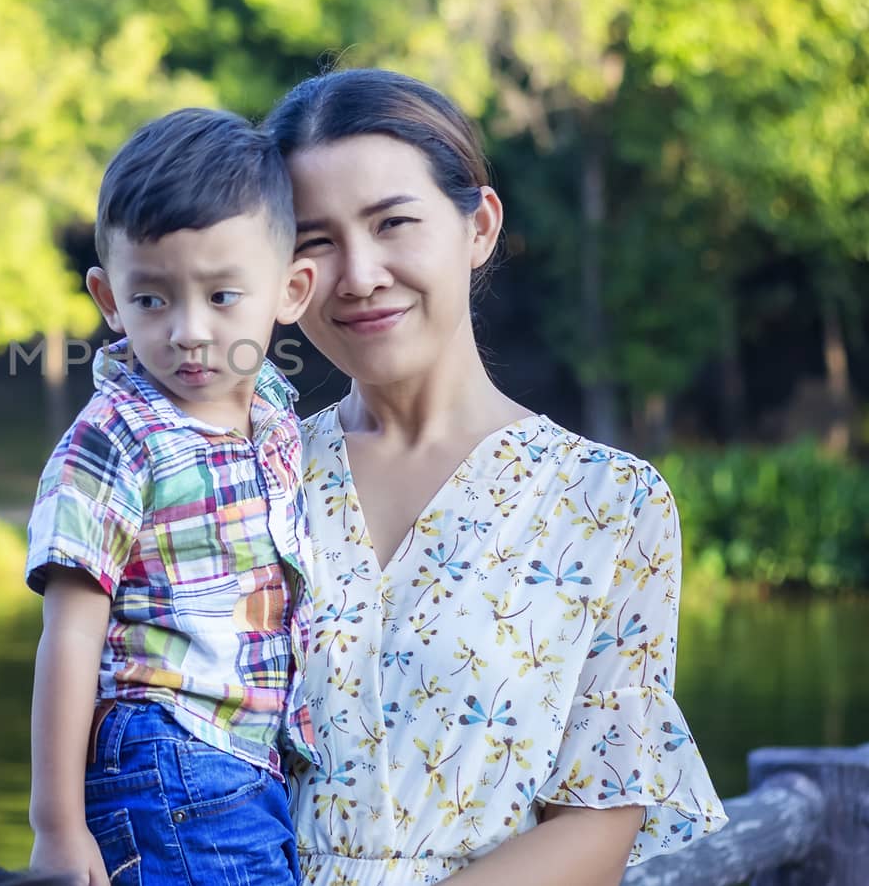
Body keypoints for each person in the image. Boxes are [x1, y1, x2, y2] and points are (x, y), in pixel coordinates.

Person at [262, 68, 727, 886]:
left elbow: (602, 812)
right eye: (316, 238)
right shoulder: (250, 477)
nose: (360, 273)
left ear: (478, 227)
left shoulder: (608, 502)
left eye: (392, 223)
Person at [24, 108, 320, 886]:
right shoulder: (119, 436)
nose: (189, 330)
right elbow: (70, 636)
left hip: (248, 768)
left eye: (222, 296)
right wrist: (56, 826)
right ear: (109, 298)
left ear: (289, 291)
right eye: (152, 299)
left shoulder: (278, 420)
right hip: (171, 757)